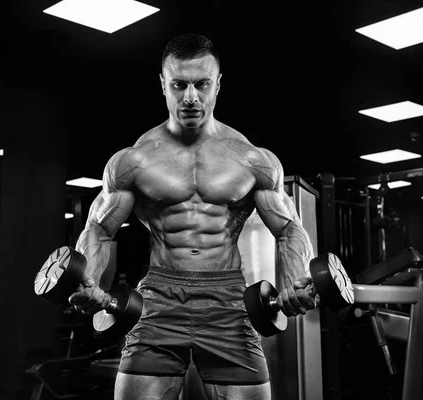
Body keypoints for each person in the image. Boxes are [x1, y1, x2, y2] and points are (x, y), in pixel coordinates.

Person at [68, 33, 317, 400]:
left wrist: (298, 280)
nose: (190, 98)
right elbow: (99, 229)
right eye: (178, 85)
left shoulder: (252, 159)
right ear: (162, 85)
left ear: (218, 84)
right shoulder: (132, 161)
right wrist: (87, 278)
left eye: (201, 84)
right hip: (158, 299)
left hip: (229, 301)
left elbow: (289, 228)